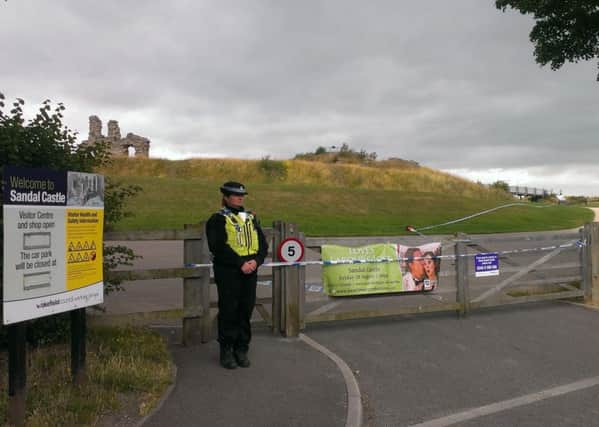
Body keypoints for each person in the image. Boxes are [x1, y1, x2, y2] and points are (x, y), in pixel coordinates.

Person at [205, 181, 269, 369]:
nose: (240, 197)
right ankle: (226, 351)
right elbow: (217, 246)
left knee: (245, 310)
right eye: (235, 195)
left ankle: (242, 349)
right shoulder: (217, 219)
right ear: (225, 197)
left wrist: (256, 261)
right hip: (229, 271)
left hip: (250, 269)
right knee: (229, 311)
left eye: (242, 195)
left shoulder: (250, 218)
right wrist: (240, 263)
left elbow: (263, 245)